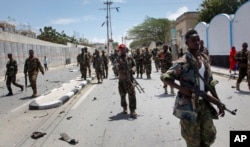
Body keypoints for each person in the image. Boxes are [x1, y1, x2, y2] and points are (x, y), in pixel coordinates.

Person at [161, 29, 225, 147]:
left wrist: (218, 101)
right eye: (193, 40)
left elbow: (210, 84)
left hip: (204, 103)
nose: (197, 42)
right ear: (187, 43)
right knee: (192, 140)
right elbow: (165, 77)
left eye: (198, 40)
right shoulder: (183, 61)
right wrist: (181, 89)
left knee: (209, 136)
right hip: (188, 105)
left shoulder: (204, 59)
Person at [117, 44, 137, 118]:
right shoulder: (117, 58)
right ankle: (124, 107)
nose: (122, 50)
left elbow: (134, 65)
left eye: (123, 49)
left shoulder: (129, 57)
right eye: (121, 49)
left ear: (125, 49)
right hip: (122, 80)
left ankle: (132, 110)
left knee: (132, 95)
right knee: (122, 95)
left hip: (130, 79)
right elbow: (115, 68)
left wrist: (133, 69)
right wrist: (119, 66)